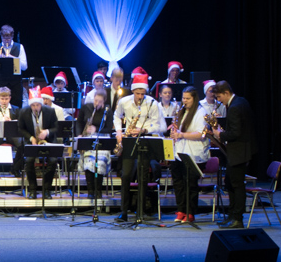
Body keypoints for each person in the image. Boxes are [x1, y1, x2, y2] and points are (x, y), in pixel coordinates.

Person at [113, 73, 162, 222]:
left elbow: (158, 125)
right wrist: (119, 132)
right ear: (133, 90)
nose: (140, 96)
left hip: (145, 140)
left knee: (143, 176)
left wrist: (144, 130)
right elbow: (116, 116)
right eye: (138, 93)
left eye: (143, 93)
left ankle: (140, 211)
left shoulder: (152, 103)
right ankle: (124, 212)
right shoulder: (124, 101)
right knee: (126, 175)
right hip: (129, 140)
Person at [211, 80, 257, 229]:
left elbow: (236, 133)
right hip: (239, 151)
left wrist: (220, 134)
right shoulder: (240, 101)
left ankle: (237, 219)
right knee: (230, 183)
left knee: (237, 185)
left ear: (226, 93)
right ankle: (232, 216)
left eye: (219, 97)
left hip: (239, 152)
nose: (219, 100)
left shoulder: (235, 107)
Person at [169, 86, 210, 223]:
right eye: (183, 98)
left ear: (194, 99)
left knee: (190, 184)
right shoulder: (182, 111)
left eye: (188, 98)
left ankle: (190, 212)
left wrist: (181, 134)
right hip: (179, 152)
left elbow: (201, 134)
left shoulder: (201, 112)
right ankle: (181, 210)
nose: (184, 101)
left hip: (194, 154)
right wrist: (174, 132)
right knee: (178, 183)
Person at [18, 87, 60, 200]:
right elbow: (20, 129)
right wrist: (31, 137)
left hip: (48, 141)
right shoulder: (23, 112)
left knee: (53, 161)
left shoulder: (50, 111)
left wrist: (46, 132)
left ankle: (47, 190)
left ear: (41, 104)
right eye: (33, 105)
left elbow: (56, 128)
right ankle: (33, 190)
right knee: (29, 161)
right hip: (33, 141)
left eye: (37, 105)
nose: (35, 108)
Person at [78, 90, 114, 199]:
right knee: (88, 162)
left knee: (100, 163)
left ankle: (98, 190)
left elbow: (109, 129)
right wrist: (79, 134)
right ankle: (90, 191)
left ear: (104, 101)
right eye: (95, 100)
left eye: (100, 101)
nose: (97, 103)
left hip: (102, 140)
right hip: (88, 139)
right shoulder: (86, 107)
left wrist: (96, 129)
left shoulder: (107, 111)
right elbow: (79, 122)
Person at [0, 86, 23, 177]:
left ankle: (15, 168)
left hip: (11, 134)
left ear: (10, 98)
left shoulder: (15, 109)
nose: (4, 101)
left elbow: (20, 124)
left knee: (22, 144)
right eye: (2, 99)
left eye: (6, 99)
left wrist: (11, 122)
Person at [0, 25, 27, 106]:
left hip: (15, 83)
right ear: (1, 37)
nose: (6, 41)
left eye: (8, 38)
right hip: (0, 82)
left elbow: (24, 67)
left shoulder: (20, 47)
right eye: (4, 38)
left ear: (12, 36)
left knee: (16, 106)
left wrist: (13, 58)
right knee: (0, 106)